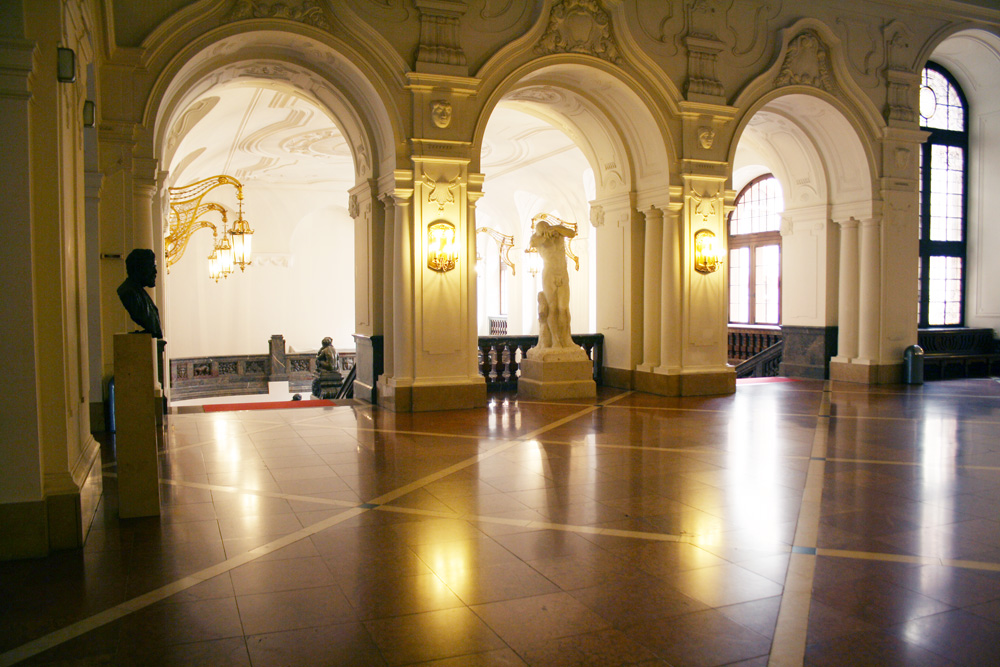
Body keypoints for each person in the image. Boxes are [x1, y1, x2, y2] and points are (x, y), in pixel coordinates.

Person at [529, 220, 576, 350]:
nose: (545, 230)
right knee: (552, 307)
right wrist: (544, 236)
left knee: (564, 308)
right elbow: (533, 243)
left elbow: (571, 233)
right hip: (549, 274)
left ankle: (566, 339)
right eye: (541, 229)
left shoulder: (558, 233)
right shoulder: (537, 238)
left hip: (562, 272)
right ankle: (555, 340)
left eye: (546, 227)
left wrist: (555, 229)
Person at [117, 249, 163, 338]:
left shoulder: (139, 292)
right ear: (140, 268)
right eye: (152, 267)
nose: (155, 272)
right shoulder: (129, 292)